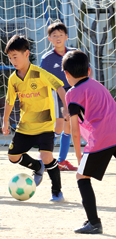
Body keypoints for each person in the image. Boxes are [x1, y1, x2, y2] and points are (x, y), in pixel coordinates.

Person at [1, 35, 67, 202]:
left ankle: (57, 191)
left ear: (26, 54)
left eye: (15, 56)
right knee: (13, 156)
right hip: (25, 126)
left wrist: (66, 108)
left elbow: (59, 87)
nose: (12, 61)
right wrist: (5, 120)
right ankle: (38, 167)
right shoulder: (13, 79)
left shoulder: (40, 73)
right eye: (10, 58)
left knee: (47, 157)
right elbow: (10, 101)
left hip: (45, 125)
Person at [63, 51, 116, 234]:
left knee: (81, 176)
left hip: (101, 138)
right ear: (89, 70)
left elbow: (75, 132)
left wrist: (79, 157)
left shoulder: (72, 94)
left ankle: (94, 223)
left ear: (67, 74)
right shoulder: (98, 85)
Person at [40, 22, 80, 171]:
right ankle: (43, 157)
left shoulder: (74, 54)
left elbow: (87, 71)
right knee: (58, 126)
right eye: (54, 35)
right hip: (55, 93)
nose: (58, 38)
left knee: (69, 125)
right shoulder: (47, 58)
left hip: (73, 93)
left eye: (60, 35)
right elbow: (43, 80)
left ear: (66, 37)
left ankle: (62, 160)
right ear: (49, 39)